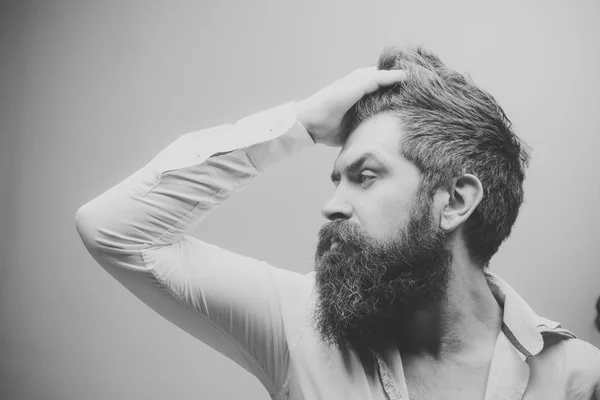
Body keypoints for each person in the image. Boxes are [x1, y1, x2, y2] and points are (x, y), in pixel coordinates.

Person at [75, 46, 600, 400]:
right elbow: (115, 229)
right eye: (335, 180)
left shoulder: (580, 376)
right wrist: (298, 124)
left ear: (456, 201)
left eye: (365, 176)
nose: (331, 206)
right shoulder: (300, 324)